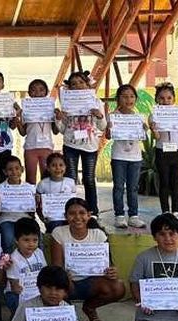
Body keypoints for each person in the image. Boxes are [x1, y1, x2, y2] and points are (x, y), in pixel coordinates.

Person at [50, 198, 125, 321]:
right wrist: (65, 278)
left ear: (89, 215)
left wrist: (112, 272)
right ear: (65, 216)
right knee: (56, 285)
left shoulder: (98, 234)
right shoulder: (59, 232)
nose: (77, 217)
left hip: (92, 282)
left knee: (118, 287)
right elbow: (57, 266)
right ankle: (65, 315)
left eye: (82, 213)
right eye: (72, 213)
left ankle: (89, 308)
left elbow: (109, 265)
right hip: (68, 283)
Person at [55, 71, 105, 216]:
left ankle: (92, 211)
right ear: (69, 88)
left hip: (90, 146)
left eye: (81, 82)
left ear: (87, 84)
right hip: (71, 145)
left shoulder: (96, 102)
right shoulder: (66, 104)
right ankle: (70, 212)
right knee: (70, 179)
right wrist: (58, 119)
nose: (78, 86)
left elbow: (102, 127)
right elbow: (62, 130)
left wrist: (99, 116)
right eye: (74, 84)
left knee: (89, 179)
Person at [106, 84, 148, 228]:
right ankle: (119, 216)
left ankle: (133, 216)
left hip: (135, 158)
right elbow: (107, 136)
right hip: (118, 156)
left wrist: (144, 130)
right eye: (124, 96)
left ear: (135, 99)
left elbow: (143, 138)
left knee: (133, 188)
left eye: (131, 96)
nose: (128, 100)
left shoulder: (139, 118)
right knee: (118, 187)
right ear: (118, 99)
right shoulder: (113, 116)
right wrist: (109, 128)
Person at [150, 82, 178, 221]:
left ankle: (176, 213)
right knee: (164, 182)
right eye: (161, 98)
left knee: (176, 182)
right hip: (162, 151)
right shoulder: (154, 115)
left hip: (177, 151)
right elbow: (157, 137)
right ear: (157, 99)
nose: (165, 101)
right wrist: (154, 128)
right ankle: (165, 212)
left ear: (174, 99)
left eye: (169, 98)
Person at [4, 217, 47, 314]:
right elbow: (15, 285)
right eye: (26, 240)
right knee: (17, 302)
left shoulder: (39, 253)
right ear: (16, 240)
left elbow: (44, 272)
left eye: (35, 240)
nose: (31, 244)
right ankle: (17, 320)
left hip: (36, 289)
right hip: (19, 291)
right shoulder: (13, 258)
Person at [0, 156, 36, 253]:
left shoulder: (29, 188)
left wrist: (36, 203)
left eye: (17, 168)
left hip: (25, 219)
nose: (14, 172)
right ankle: (7, 262)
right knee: (8, 239)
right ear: (4, 172)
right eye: (10, 169)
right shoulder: (0, 188)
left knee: (36, 238)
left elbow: (32, 213)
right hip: (6, 219)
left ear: (22, 169)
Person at [20, 79, 59, 184]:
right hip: (30, 147)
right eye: (33, 90)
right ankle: (32, 200)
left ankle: (44, 200)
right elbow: (23, 132)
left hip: (46, 147)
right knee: (30, 179)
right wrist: (17, 119)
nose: (37, 93)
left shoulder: (51, 109)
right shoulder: (26, 109)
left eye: (41, 90)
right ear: (29, 93)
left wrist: (58, 118)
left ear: (46, 92)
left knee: (46, 179)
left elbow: (55, 131)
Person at [36, 152, 76, 232]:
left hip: (69, 217)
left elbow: (74, 202)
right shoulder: (43, 184)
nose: (58, 168)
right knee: (57, 228)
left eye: (61, 165)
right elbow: (37, 205)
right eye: (53, 165)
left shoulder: (71, 182)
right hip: (53, 218)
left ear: (65, 167)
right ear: (48, 168)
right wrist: (42, 218)